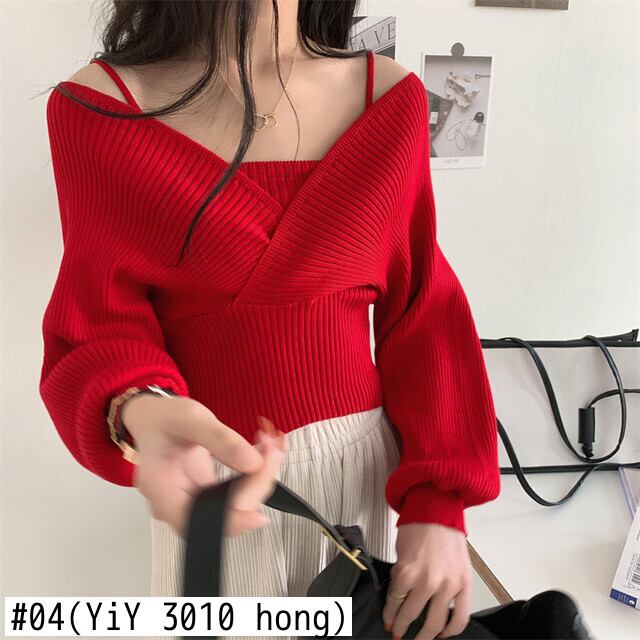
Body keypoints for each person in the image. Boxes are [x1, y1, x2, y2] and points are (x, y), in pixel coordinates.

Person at [40, 2, 501, 639]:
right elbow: (97, 318)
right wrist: (139, 410)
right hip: (211, 485)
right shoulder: (101, 108)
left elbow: (424, 309)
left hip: (359, 480)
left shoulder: (389, 99)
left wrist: (440, 504)